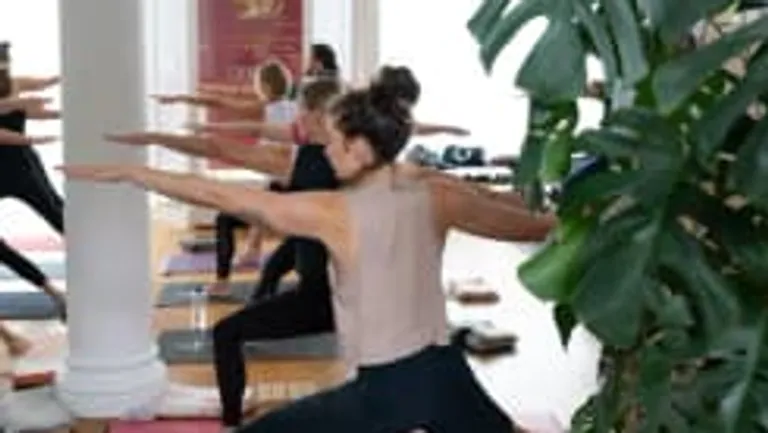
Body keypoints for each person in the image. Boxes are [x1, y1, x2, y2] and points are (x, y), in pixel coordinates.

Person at [62, 67, 553, 433]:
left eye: (335, 142)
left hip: (386, 389)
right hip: (444, 371)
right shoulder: (434, 192)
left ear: (361, 148)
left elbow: (220, 195)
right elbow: (525, 225)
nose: (327, 151)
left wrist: (134, 173)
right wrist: (567, 217)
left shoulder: (335, 212)